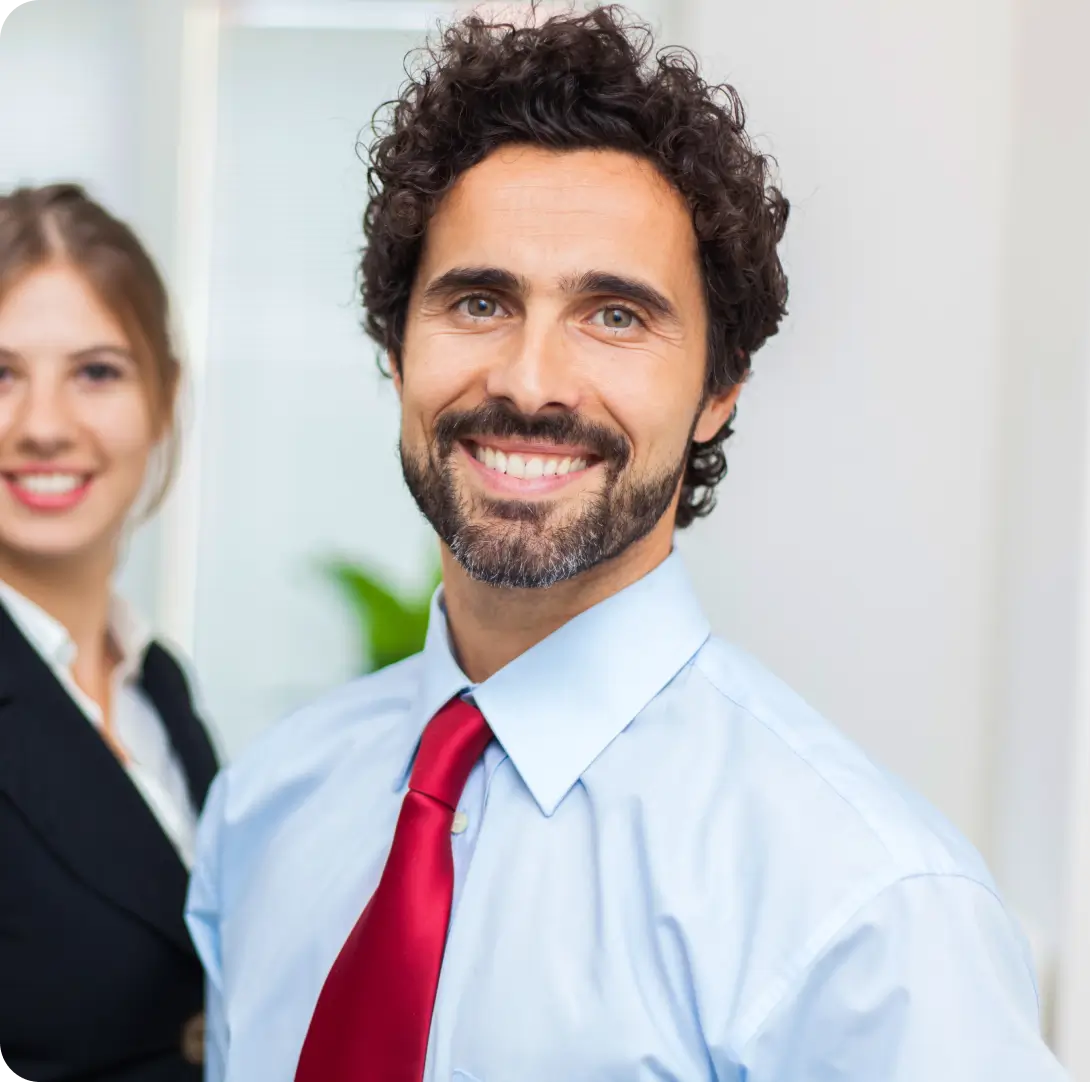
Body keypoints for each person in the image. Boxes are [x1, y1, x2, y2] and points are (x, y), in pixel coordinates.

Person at [186, 7, 1065, 1081]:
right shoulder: (267, 806)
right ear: (395, 346)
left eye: (614, 315)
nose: (528, 378)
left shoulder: (868, 913)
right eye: (477, 299)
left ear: (718, 391)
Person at [0, 184, 219, 1082]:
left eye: (96, 371)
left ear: (162, 399)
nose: (45, 426)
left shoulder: (157, 684)